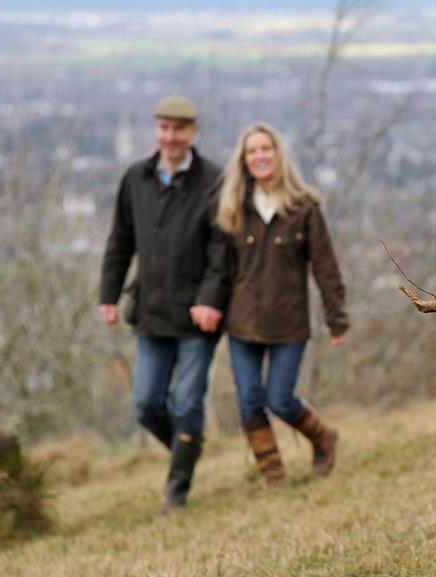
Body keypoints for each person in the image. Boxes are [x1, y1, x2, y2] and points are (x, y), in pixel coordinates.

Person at [99, 96, 229, 513]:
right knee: (147, 404)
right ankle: (187, 448)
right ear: (156, 131)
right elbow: (120, 241)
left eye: (179, 129)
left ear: (193, 132)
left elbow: (222, 251)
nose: (170, 137)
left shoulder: (214, 180)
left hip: (197, 316)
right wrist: (108, 294)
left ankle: (176, 491)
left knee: (188, 402)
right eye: (164, 128)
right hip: (151, 311)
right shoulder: (135, 178)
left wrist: (210, 301)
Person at [216, 121, 348, 487]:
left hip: (289, 324)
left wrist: (336, 318)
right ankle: (273, 477)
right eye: (252, 151)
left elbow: (325, 267)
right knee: (248, 402)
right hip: (241, 323)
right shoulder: (233, 209)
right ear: (243, 160)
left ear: (278, 155)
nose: (259, 156)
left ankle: (324, 436)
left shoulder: (304, 208)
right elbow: (219, 270)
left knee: (279, 398)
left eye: (265, 149)